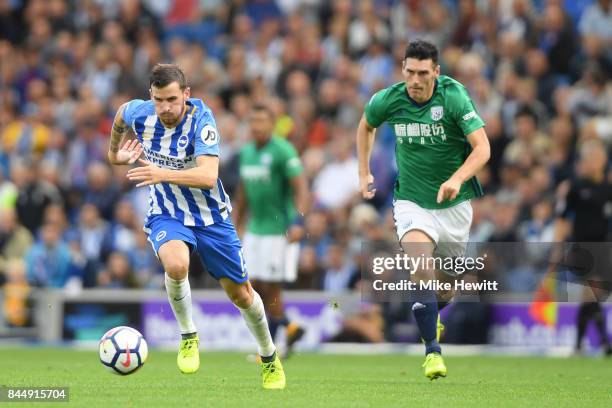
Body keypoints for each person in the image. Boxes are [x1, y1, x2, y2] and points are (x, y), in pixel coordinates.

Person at [107, 63, 285, 389]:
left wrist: (162, 174)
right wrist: (114, 154)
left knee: (242, 295)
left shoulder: (203, 121)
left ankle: (269, 356)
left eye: (172, 99)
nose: (165, 107)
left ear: (186, 94)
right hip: (167, 212)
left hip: (212, 218)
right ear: (151, 96)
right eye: (159, 100)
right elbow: (121, 114)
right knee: (176, 265)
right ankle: (189, 334)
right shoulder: (141, 113)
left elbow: (208, 176)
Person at [356, 40, 490, 380]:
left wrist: (458, 179)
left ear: (436, 72)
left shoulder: (454, 96)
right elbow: (366, 125)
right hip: (412, 201)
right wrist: (364, 171)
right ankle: (432, 352)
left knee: (444, 288)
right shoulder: (389, 99)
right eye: (409, 72)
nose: (414, 80)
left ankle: (432, 315)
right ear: (403, 69)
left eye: (422, 73)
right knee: (419, 265)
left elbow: (482, 148)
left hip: (454, 205)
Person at [234, 104, 309, 357]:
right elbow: (243, 193)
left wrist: (298, 222)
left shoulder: (283, 150)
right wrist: (235, 223)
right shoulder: (246, 153)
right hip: (255, 229)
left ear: (272, 124)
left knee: (271, 289)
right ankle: (289, 327)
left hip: (279, 230)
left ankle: (270, 349)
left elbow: (300, 188)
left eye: (262, 121)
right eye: (253, 121)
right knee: (251, 287)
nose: (256, 126)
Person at [553, 139, 612, 356]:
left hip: (604, 248)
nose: (593, 163)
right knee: (592, 290)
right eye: (590, 159)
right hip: (583, 248)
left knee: (590, 298)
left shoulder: (608, 188)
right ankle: (605, 342)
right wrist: (557, 247)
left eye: (597, 158)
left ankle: (578, 345)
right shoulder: (576, 187)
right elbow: (562, 218)